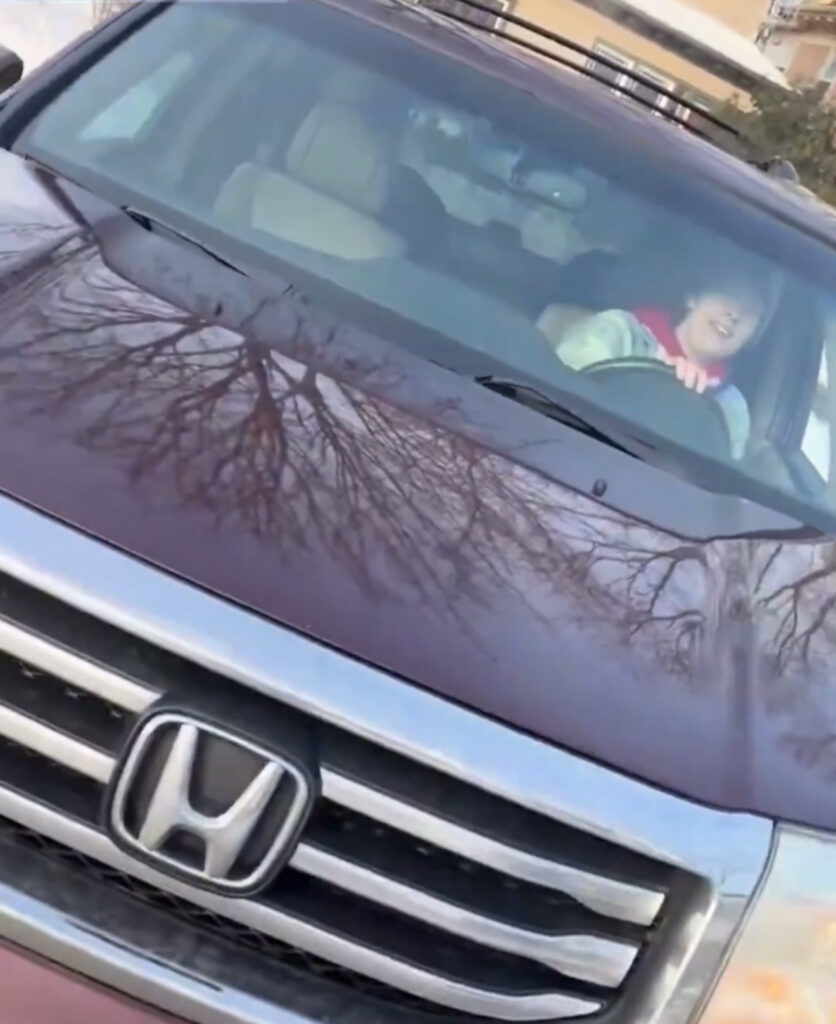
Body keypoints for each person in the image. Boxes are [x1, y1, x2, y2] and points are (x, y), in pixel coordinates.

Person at [553, 268, 772, 460]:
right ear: (693, 297)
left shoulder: (731, 407)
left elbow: (721, 485)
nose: (735, 314)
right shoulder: (619, 331)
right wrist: (658, 378)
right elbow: (558, 394)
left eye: (751, 312)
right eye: (727, 294)